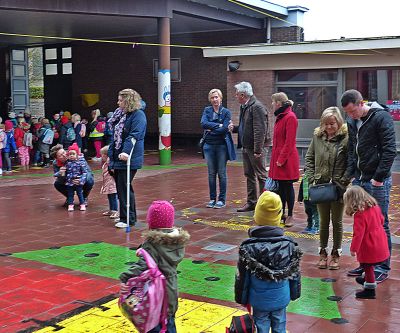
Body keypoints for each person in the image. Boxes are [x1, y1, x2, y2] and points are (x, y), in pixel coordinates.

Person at [341, 89, 396, 283]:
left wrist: (379, 177)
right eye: (347, 113)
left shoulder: (381, 117)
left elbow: (390, 149)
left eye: (353, 111)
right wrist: (351, 174)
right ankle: (367, 263)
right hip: (360, 179)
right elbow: (351, 150)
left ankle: (382, 265)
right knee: (362, 222)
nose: (351, 116)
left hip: (377, 180)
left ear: (360, 103)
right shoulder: (351, 122)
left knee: (380, 223)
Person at [234, 191, 302, 333]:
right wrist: (295, 293)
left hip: (259, 300)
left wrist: (241, 298)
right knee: (280, 325)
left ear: (257, 216)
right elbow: (295, 274)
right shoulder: (289, 245)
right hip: (281, 298)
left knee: (260, 326)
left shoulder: (248, 247)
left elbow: (243, 278)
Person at [119, 200, 190, 333]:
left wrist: (125, 277)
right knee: (169, 324)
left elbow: (142, 265)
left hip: (157, 296)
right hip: (171, 292)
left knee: (156, 327)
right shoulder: (176, 243)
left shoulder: (152, 245)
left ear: (151, 223)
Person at [305, 107, 350, 270]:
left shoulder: (346, 138)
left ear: (339, 122)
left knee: (337, 222)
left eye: (332, 123)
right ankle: (322, 253)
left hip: (338, 187)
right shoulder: (317, 137)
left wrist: (344, 181)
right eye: (326, 124)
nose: (329, 127)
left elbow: (350, 162)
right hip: (320, 186)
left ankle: (336, 254)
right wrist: (311, 178)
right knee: (323, 221)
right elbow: (309, 157)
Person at [108, 88, 147, 229]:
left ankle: (128, 218)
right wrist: (111, 157)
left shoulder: (138, 115)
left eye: (120, 100)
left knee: (124, 187)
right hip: (117, 157)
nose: (118, 102)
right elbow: (114, 137)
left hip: (129, 157)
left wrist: (126, 152)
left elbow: (134, 135)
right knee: (121, 187)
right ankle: (125, 215)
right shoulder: (120, 115)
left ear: (128, 100)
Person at [229, 81, 269, 212]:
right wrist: (235, 129)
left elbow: (260, 130)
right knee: (249, 175)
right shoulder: (245, 106)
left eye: (236, 94)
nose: (235, 96)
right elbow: (245, 127)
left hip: (255, 148)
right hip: (247, 146)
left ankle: (264, 203)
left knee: (261, 175)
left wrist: (258, 150)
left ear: (242, 94)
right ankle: (251, 202)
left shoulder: (257, 107)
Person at [343, 186, 389, 299]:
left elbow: (358, 235)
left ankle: (369, 289)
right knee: (369, 264)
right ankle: (367, 279)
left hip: (369, 244)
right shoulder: (375, 207)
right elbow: (382, 220)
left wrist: (354, 249)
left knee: (368, 266)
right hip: (380, 240)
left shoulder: (360, 215)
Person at [200, 88, 236, 209]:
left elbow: (225, 129)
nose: (215, 99)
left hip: (222, 146)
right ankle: (212, 198)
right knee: (211, 173)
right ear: (210, 99)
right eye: (212, 97)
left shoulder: (226, 112)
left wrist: (213, 129)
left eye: (217, 97)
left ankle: (221, 199)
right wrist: (218, 125)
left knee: (221, 173)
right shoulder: (207, 110)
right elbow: (203, 123)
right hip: (208, 146)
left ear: (221, 98)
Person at [268, 92, 300, 227]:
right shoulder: (281, 117)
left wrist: (281, 159)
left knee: (287, 187)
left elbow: (289, 142)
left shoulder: (290, 117)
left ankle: (291, 215)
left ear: (278, 103)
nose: (272, 105)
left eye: (273, 102)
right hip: (278, 158)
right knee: (280, 188)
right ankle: (281, 213)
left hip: (286, 160)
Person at [65, 143, 87, 211]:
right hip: (70, 181)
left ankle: (82, 204)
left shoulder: (80, 162)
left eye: (73, 154)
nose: (71, 156)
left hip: (78, 181)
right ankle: (70, 204)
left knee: (80, 193)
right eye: (70, 154)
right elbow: (64, 171)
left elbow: (84, 172)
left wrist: (81, 180)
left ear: (77, 155)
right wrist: (58, 174)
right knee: (70, 194)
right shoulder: (67, 163)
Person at [100, 145, 119, 219]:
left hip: (112, 183)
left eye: (102, 155)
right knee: (110, 196)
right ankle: (111, 209)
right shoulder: (105, 164)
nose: (101, 157)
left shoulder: (109, 162)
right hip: (108, 183)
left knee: (113, 197)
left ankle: (115, 210)